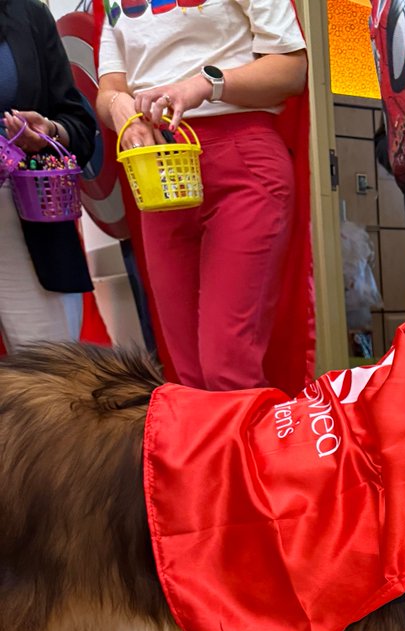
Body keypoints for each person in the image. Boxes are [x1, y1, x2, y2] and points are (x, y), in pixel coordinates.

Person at [96, 0, 311, 392]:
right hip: (158, 170)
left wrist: (205, 83)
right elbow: (110, 88)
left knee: (227, 366)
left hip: (240, 158)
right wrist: (119, 106)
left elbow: (291, 69)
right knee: (185, 374)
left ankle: (251, 435)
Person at [0, 0, 98, 349]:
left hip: (26, 217)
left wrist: (48, 132)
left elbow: (79, 126)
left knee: (48, 368)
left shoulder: (27, 14)